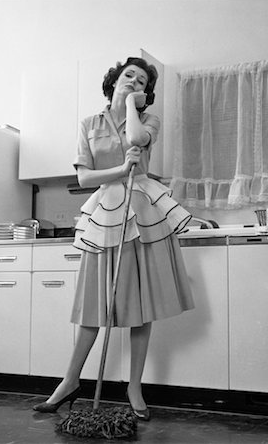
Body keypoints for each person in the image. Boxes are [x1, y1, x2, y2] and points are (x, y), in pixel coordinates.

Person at [33, 57, 194, 421]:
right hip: (105, 213)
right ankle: (70, 381)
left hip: (144, 214)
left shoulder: (147, 119)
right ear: (114, 79)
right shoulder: (89, 123)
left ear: (145, 93)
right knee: (94, 304)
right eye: (128, 76)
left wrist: (130, 107)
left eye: (141, 81)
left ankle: (134, 387)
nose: (134, 81)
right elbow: (86, 177)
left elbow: (138, 139)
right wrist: (121, 169)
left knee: (141, 307)